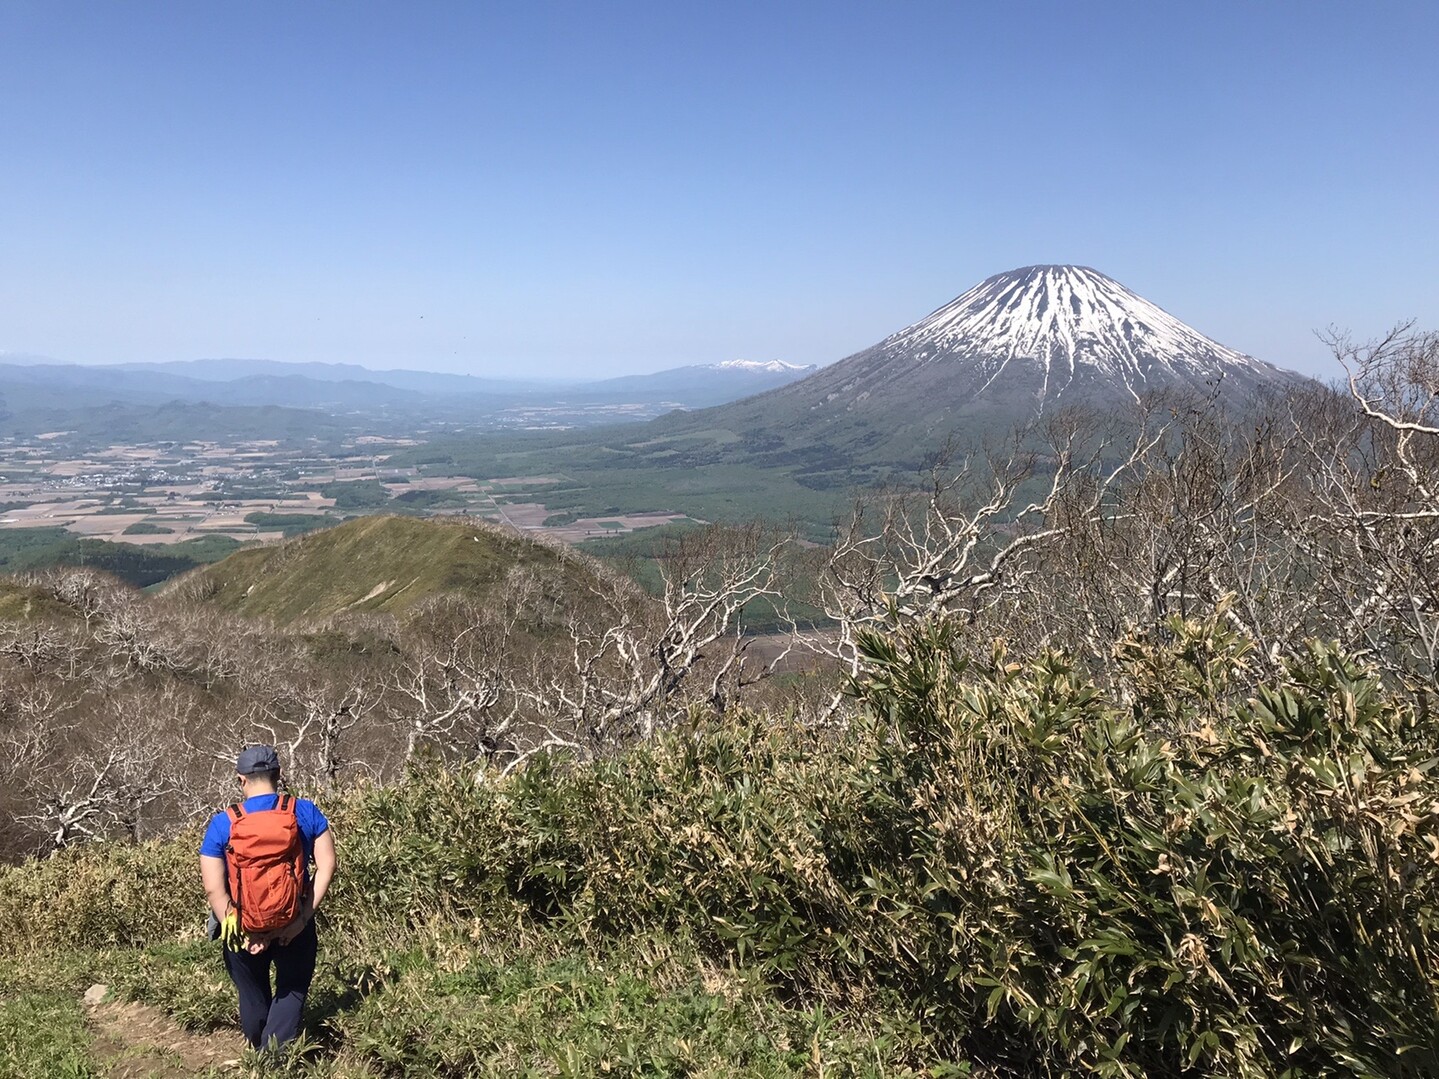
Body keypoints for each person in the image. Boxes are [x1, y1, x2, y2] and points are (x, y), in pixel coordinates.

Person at [199, 745, 337, 1052]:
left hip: (243, 923)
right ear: (279, 775)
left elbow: (213, 888)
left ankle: (258, 1050)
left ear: (241, 780)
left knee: (252, 993)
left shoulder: (224, 823)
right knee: (292, 987)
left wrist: (238, 927)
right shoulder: (304, 811)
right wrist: (300, 920)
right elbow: (327, 865)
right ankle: (274, 1060)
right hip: (294, 920)